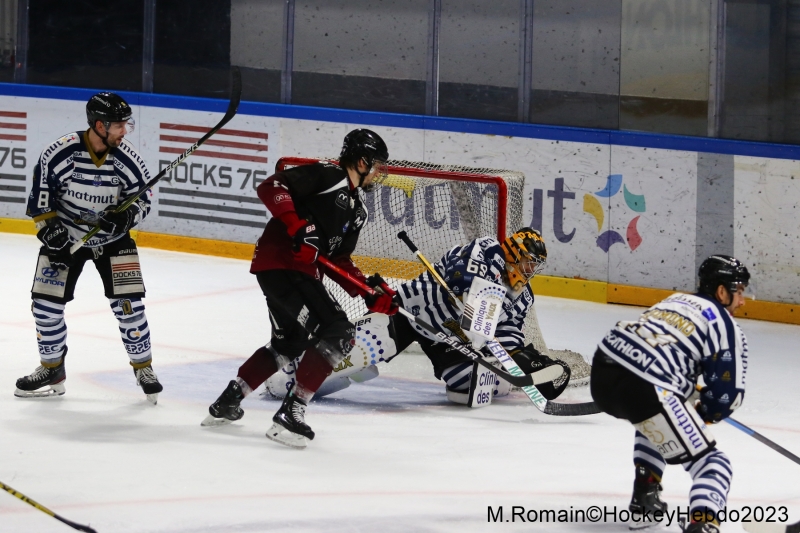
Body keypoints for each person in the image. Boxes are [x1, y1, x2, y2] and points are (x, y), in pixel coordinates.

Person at [202, 129, 396, 448]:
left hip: (292, 273)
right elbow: (272, 186)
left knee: (288, 344)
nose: (379, 172)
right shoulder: (327, 174)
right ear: (361, 162)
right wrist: (296, 225)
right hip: (282, 265)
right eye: (376, 164)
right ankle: (291, 413)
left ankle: (227, 401)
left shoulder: (357, 212)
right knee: (339, 332)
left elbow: (338, 260)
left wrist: (367, 291)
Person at [271, 229, 570, 405]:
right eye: (529, 263)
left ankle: (521, 373)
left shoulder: (524, 297)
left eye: (535, 267)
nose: (531, 272)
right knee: (362, 351)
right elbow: (458, 269)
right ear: (513, 254)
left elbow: (507, 335)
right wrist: (466, 287)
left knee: (472, 388)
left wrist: (525, 359)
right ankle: (289, 376)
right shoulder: (487, 250)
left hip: (449, 339)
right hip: (413, 312)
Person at [15, 92, 163, 404]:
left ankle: (144, 367)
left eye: (126, 125)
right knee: (45, 306)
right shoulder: (59, 153)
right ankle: (52, 368)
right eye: (119, 126)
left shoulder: (128, 160)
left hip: (113, 241)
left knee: (129, 306)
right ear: (99, 125)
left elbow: (144, 200)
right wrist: (50, 232)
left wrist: (124, 219)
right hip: (67, 239)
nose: (125, 131)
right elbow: (41, 200)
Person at [590, 255, 750, 533]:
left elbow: (660, 349)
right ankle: (703, 524)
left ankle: (644, 502)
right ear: (722, 291)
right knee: (713, 463)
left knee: (653, 422)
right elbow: (726, 395)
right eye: (739, 291)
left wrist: (684, 394)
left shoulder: (674, 301)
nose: (742, 301)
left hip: (604, 370)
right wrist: (703, 411)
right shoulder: (724, 323)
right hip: (648, 386)